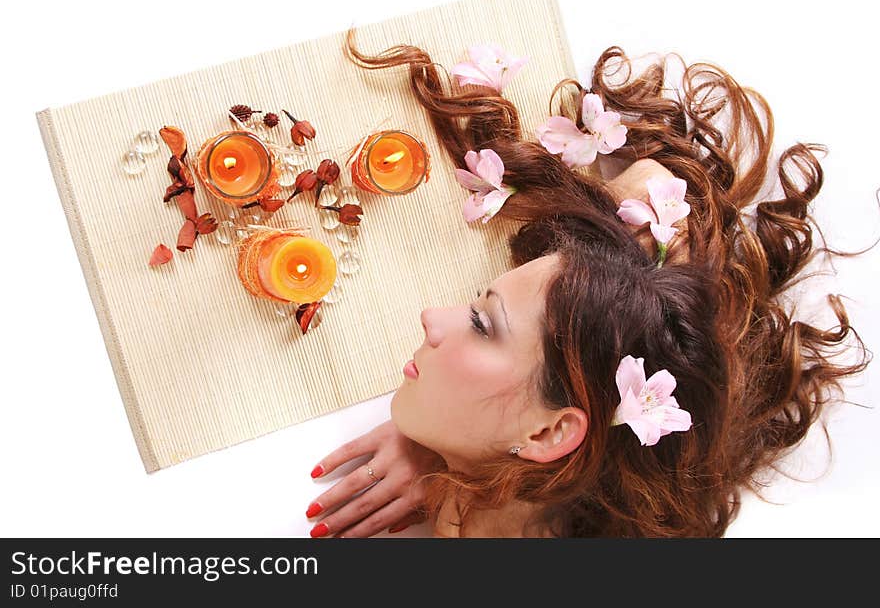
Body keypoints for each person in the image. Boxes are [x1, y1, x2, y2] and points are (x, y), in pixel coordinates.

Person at [303, 30, 872, 538]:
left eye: (482, 325)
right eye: (479, 309)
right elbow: (658, 185)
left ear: (553, 432)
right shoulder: (531, 484)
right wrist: (461, 445)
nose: (432, 316)